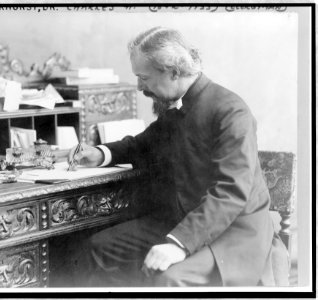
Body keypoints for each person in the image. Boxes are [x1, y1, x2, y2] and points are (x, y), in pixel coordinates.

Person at [68, 27, 289, 287]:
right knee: (98, 249)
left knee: (168, 278)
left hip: (235, 232)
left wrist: (178, 244)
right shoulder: (179, 106)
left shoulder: (230, 111)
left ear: (173, 72)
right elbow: (142, 145)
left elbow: (230, 193)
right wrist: (100, 153)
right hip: (188, 219)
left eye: (144, 78)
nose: (140, 87)